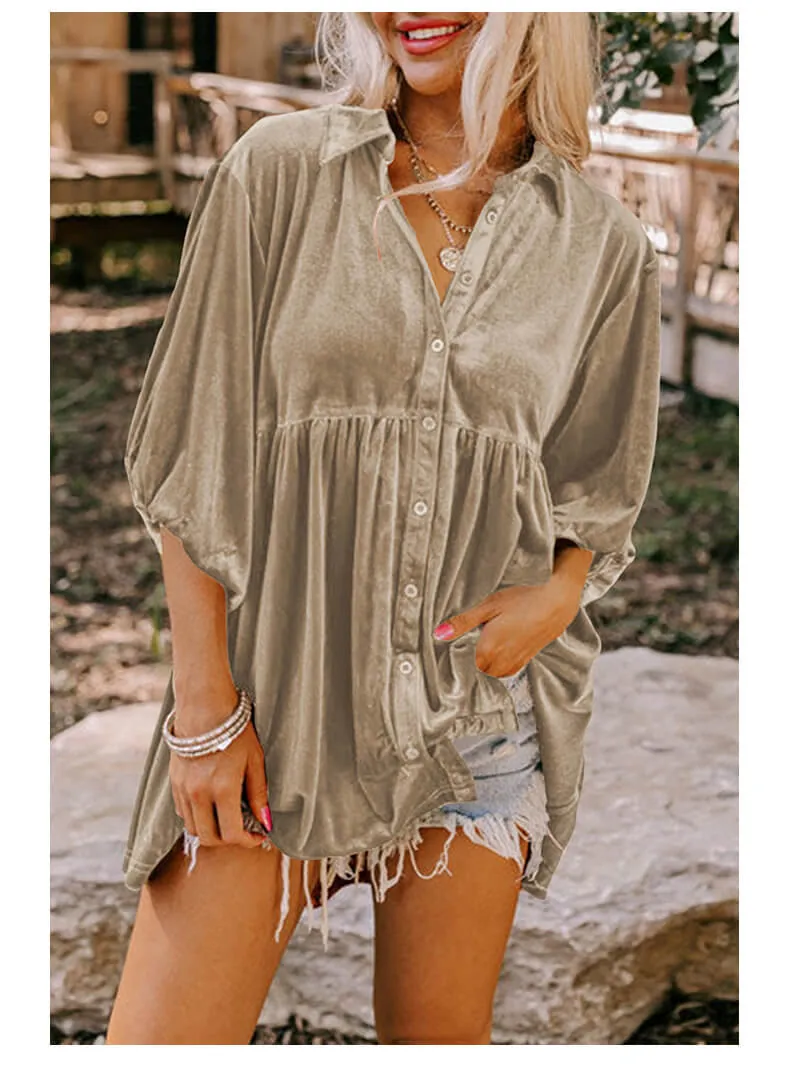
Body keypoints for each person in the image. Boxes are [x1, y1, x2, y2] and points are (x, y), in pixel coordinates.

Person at [106, 11, 662, 1045]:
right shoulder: (279, 174)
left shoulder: (601, 245)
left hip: (476, 732)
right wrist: (205, 712)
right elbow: (194, 450)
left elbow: (597, 479)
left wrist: (557, 594)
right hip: (269, 716)